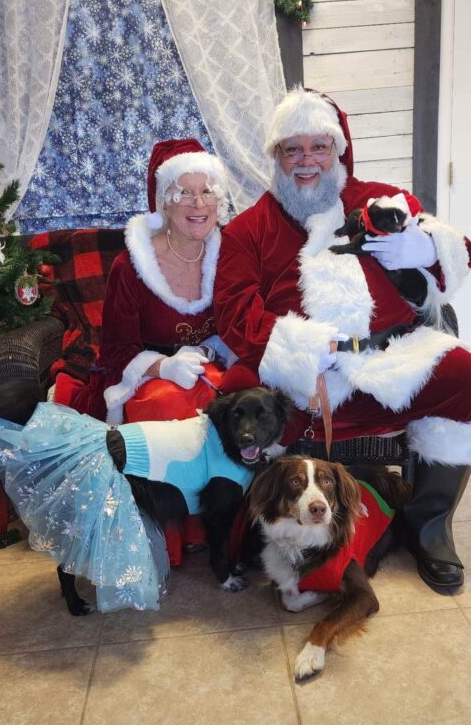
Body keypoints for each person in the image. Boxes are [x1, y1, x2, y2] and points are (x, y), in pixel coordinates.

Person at [214, 86, 471, 592]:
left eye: (319, 146)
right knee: (240, 395)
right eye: (293, 149)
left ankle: (427, 526)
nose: (306, 160)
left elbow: (456, 252)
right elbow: (233, 311)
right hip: (306, 382)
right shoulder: (248, 230)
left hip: (394, 360)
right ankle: (262, 526)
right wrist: (300, 348)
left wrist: (423, 248)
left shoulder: (379, 201)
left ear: (338, 150)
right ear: (276, 156)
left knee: (465, 376)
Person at [73, 137, 232, 426]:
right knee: (166, 401)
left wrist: (207, 350)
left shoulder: (232, 254)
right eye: (184, 193)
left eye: (207, 191)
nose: (198, 203)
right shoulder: (130, 267)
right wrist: (164, 367)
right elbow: (116, 351)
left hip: (215, 370)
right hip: (148, 382)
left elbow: (246, 324)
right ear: (165, 205)